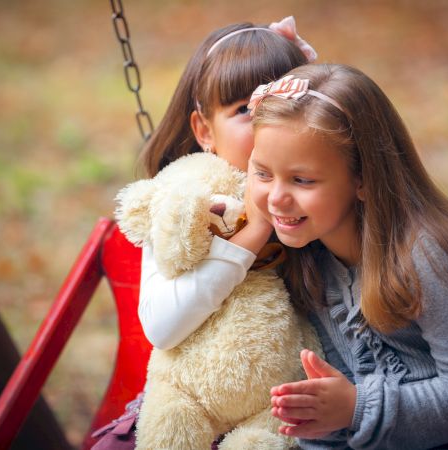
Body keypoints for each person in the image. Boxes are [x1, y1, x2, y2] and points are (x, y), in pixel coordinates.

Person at [246, 64, 448, 449]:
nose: (277, 197)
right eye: (263, 173)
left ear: (364, 178)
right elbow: (335, 403)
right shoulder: (306, 255)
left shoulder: (424, 254)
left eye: (302, 180)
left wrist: (355, 409)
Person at [90, 17, 314, 450]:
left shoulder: (314, 202)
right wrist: (251, 236)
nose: (266, 121)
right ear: (205, 131)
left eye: (280, 103)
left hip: (277, 421)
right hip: (185, 413)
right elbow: (162, 327)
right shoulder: (186, 202)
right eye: (245, 110)